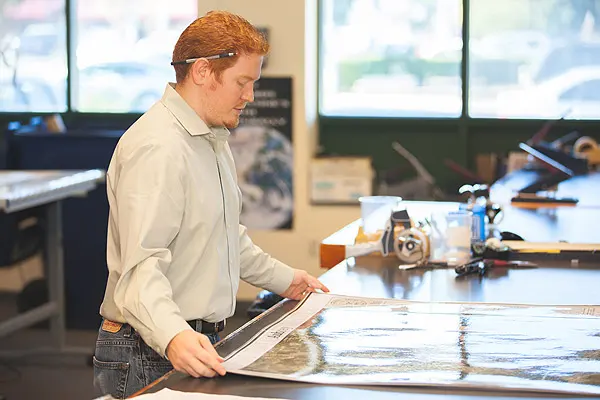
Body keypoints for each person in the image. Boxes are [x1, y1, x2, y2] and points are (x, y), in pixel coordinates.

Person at [93, 10, 329, 399]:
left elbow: (226, 239)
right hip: (149, 348)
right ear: (203, 71)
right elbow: (140, 269)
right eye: (242, 82)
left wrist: (287, 280)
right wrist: (173, 337)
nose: (249, 96)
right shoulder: (159, 148)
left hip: (192, 339)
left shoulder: (210, 138)